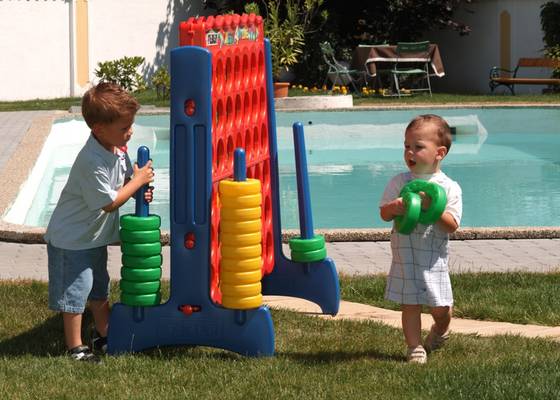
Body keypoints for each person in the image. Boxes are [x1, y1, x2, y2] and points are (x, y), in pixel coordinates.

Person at [45, 82, 154, 363]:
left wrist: (136, 184)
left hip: (91, 238)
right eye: (124, 127)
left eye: (130, 124)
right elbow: (109, 203)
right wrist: (138, 181)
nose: (129, 131)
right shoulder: (91, 161)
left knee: (98, 288)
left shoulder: (117, 148)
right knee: (75, 294)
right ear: (98, 129)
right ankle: (75, 347)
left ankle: (104, 334)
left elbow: (122, 185)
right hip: (71, 240)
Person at [379, 114, 462, 364]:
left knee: (440, 308)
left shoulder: (448, 187)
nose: (410, 153)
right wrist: (395, 207)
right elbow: (384, 214)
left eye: (418, 147)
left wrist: (432, 209)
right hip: (405, 256)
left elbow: (452, 226)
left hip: (432, 260)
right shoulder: (400, 182)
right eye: (406, 146)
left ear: (440, 153)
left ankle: (441, 328)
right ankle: (414, 347)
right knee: (410, 304)